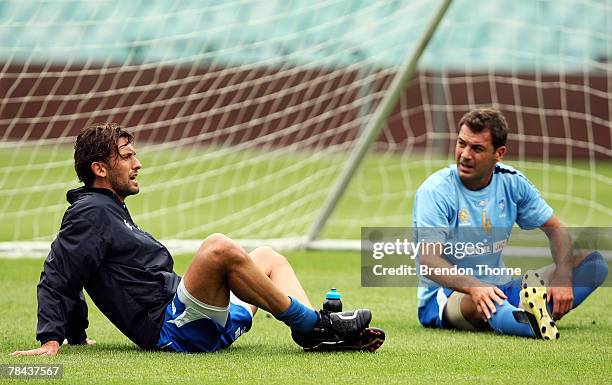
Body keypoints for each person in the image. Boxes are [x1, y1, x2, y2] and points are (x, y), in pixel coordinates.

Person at [11, 123, 385, 356]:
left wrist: (78, 335)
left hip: (198, 322)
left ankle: (313, 334)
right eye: (127, 157)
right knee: (218, 246)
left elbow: (80, 272)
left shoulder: (110, 209)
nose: (138, 164)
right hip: (174, 331)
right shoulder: (90, 212)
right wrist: (53, 339)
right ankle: (314, 323)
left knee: (268, 257)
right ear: (100, 169)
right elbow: (61, 274)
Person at [413, 107, 608, 339]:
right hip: (448, 297)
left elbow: (557, 229)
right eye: (461, 143)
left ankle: (529, 312)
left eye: (476, 148)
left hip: (504, 287)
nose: (465, 154)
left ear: (499, 153)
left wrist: (563, 279)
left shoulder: (512, 183)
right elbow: (428, 260)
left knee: (593, 265)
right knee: (483, 301)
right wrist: (475, 287)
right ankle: (531, 324)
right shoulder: (435, 191)